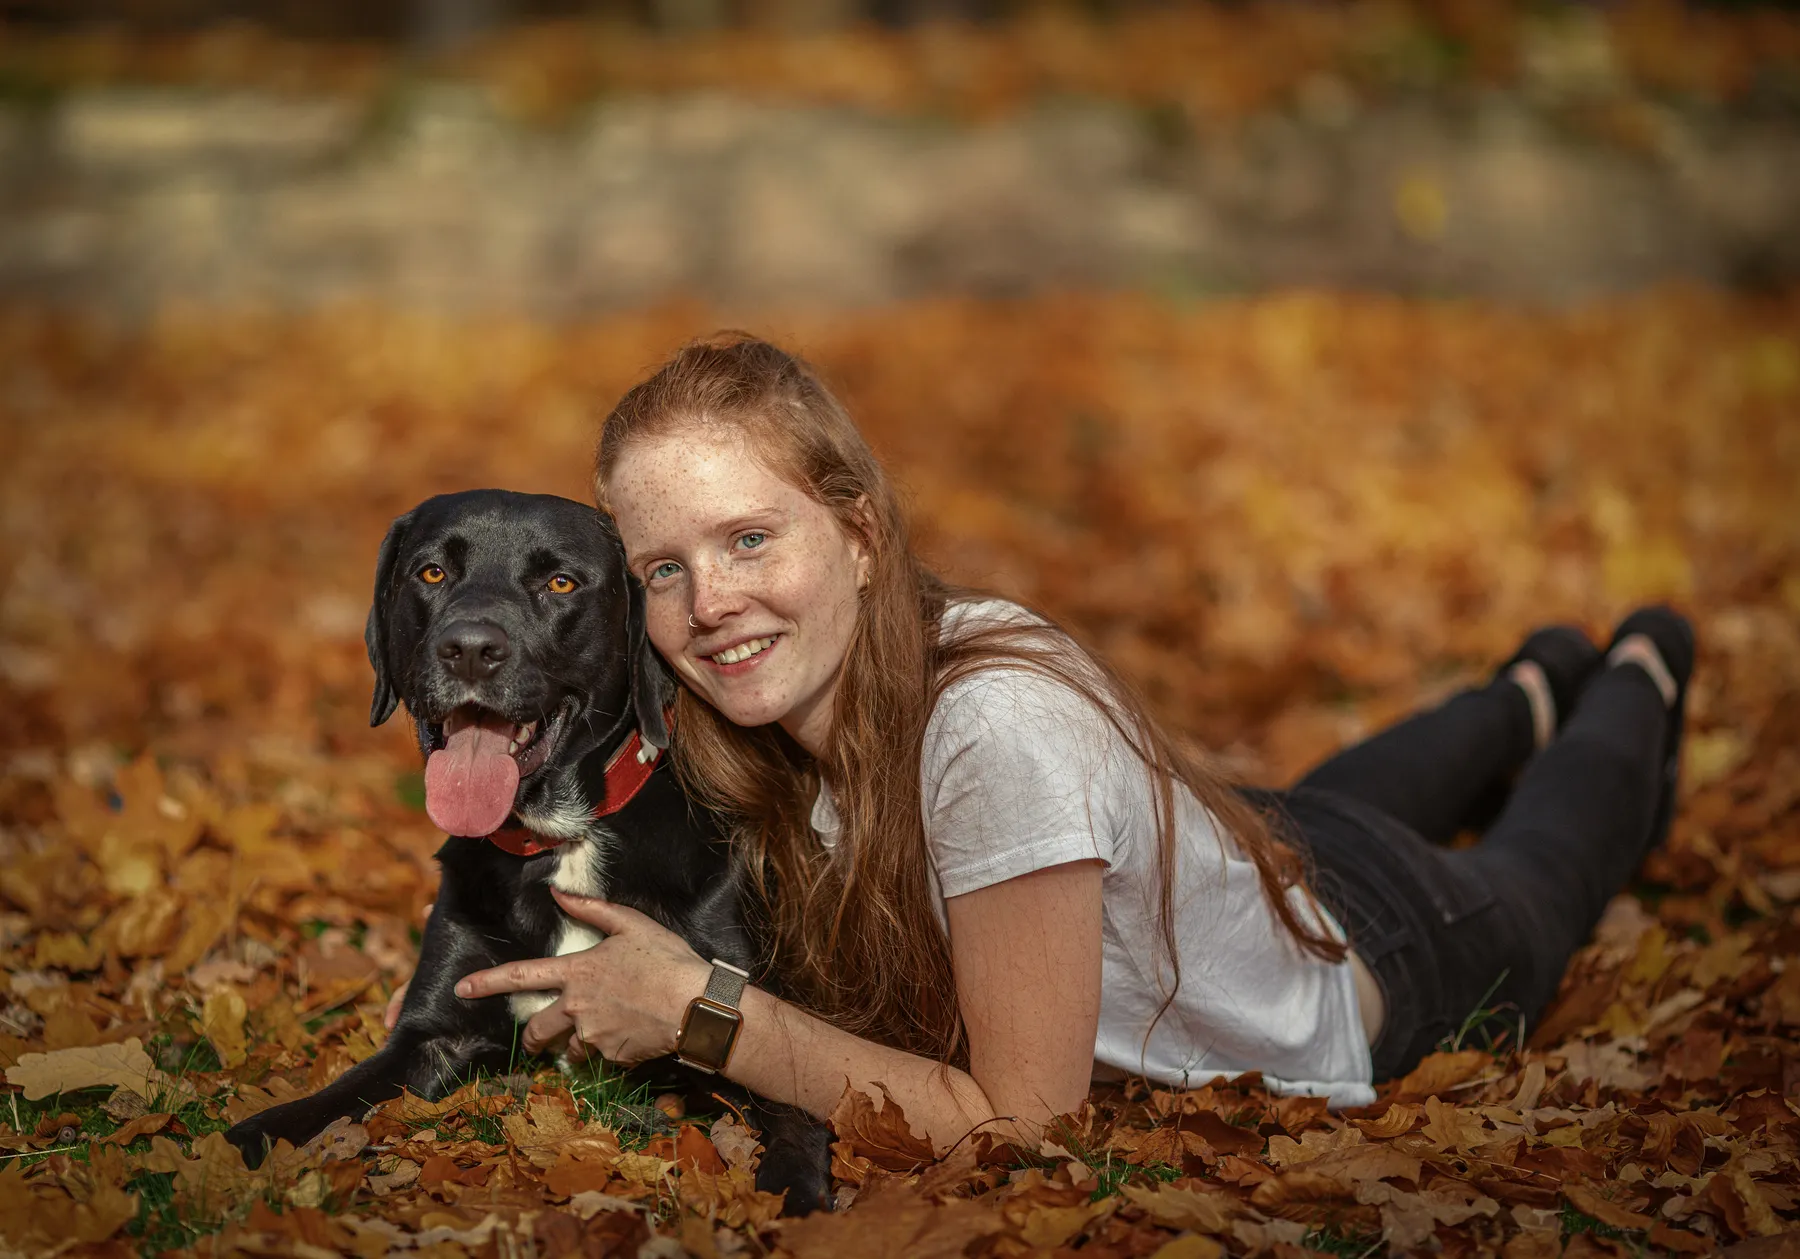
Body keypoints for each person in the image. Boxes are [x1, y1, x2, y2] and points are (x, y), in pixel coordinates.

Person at [432, 334, 1694, 1153]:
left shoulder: (996, 732)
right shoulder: (725, 712)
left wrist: (704, 1015)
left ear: (860, 534)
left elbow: (1026, 1124)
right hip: (1256, 847)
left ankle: (1637, 664)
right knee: (1333, 801)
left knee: (1550, 861)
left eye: (750, 538)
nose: (710, 601)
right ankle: (1527, 685)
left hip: (1386, 951)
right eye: (664, 567)